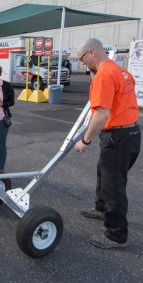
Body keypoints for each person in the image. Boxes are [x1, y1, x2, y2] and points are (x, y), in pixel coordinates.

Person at [74, 38, 141, 249]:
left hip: (118, 137)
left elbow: (102, 114)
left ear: (91, 52)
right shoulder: (120, 71)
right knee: (103, 171)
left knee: (114, 186)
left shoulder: (104, 76)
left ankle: (116, 235)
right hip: (129, 133)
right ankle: (101, 208)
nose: (82, 62)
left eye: (82, 58)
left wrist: (85, 140)